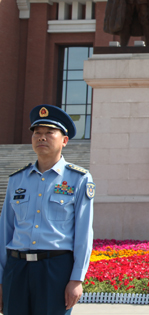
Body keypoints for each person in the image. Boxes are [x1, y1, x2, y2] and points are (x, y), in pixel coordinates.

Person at [0, 105, 95, 314]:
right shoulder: (17, 179)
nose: (41, 137)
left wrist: (76, 279)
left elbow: (84, 233)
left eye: (49, 132)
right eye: (37, 132)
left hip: (55, 269)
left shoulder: (78, 179)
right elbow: (5, 230)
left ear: (64, 140)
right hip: (17, 269)